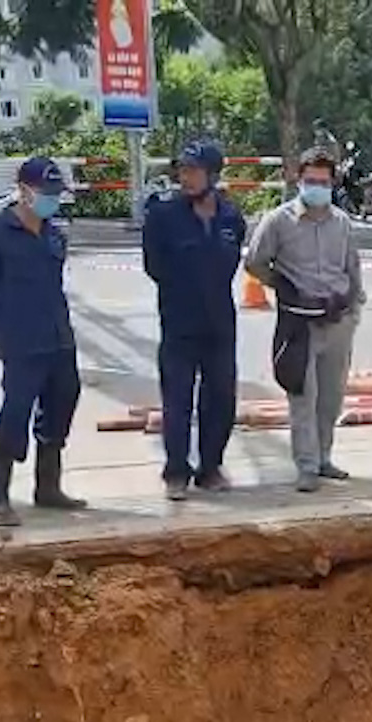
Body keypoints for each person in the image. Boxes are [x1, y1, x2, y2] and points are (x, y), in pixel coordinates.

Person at [0, 156, 88, 526]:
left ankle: (47, 486)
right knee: (15, 413)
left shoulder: (53, 233)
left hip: (57, 336)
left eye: (55, 194)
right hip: (20, 340)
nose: (51, 200)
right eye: (44, 193)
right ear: (23, 190)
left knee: (64, 400)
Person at [245, 146, 366, 493]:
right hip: (299, 324)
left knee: (331, 398)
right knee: (302, 397)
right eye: (310, 180)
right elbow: (254, 262)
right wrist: (281, 286)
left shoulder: (341, 223)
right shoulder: (278, 222)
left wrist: (355, 307)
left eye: (323, 182)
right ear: (298, 180)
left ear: (332, 183)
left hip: (338, 320)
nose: (317, 187)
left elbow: (352, 267)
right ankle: (307, 467)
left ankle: (324, 458)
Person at [142, 139, 249, 500]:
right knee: (177, 400)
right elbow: (154, 266)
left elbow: (231, 263)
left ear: (213, 175)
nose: (185, 178)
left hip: (219, 324)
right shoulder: (162, 215)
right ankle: (176, 472)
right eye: (182, 170)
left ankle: (210, 467)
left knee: (220, 399)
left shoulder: (231, 217)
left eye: (194, 171)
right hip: (179, 324)